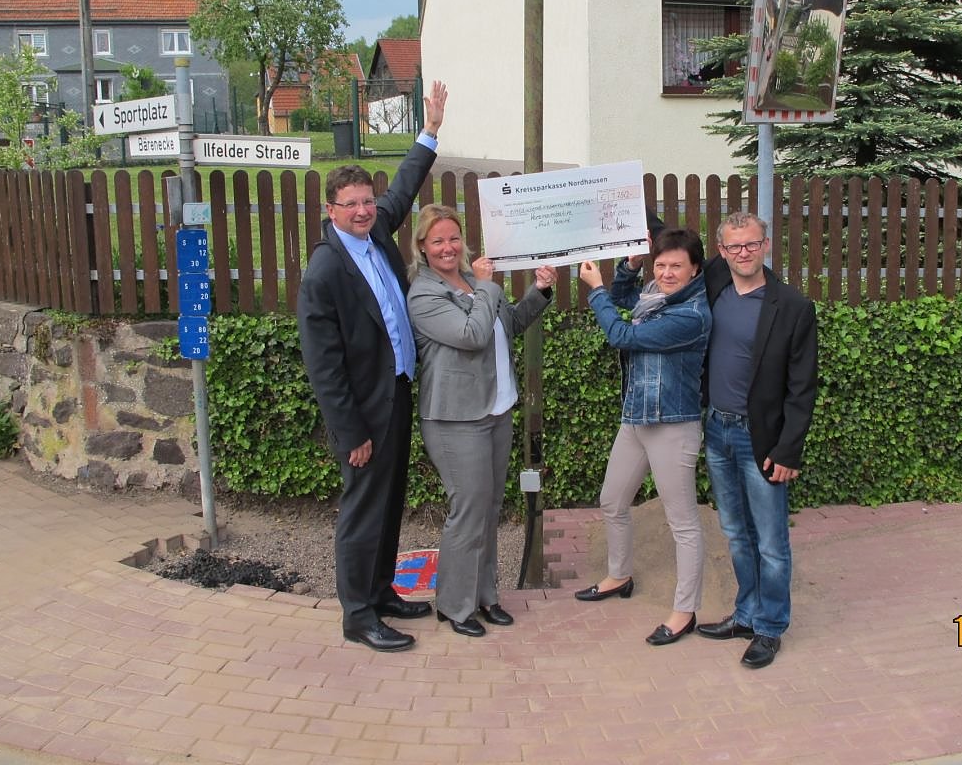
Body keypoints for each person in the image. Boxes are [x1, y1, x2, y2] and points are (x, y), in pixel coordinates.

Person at [296, 80, 447, 653]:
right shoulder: (325, 272)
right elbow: (324, 366)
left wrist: (429, 132)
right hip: (363, 413)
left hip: (397, 393)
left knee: (390, 500)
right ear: (330, 211)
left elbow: (404, 188)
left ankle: (382, 591)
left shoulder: (377, 231)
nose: (363, 210)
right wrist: (351, 432)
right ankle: (358, 615)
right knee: (362, 511)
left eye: (366, 201)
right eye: (351, 205)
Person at [407, 204, 556, 637]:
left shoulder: (474, 282)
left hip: (495, 410)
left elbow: (507, 324)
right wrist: (488, 286)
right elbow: (471, 335)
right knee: (469, 511)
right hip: (456, 418)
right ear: (422, 246)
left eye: (454, 238)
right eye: (438, 240)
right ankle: (455, 606)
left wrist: (540, 291)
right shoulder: (424, 294)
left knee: (489, 509)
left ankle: (486, 596)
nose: (448, 247)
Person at [574, 228, 712, 646]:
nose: (667, 273)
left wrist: (594, 288)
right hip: (636, 418)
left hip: (672, 425)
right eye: (661, 264)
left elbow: (622, 334)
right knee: (613, 501)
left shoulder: (691, 315)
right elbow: (624, 297)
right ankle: (619, 576)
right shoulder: (654, 296)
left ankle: (684, 611)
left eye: (676, 266)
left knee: (682, 523)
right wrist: (630, 266)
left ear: (695, 270)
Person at [696, 211, 818, 670]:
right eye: (734, 246)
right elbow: (672, 240)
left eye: (752, 244)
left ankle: (770, 627)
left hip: (760, 438)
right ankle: (746, 614)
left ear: (766, 245)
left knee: (770, 542)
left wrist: (788, 449)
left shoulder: (792, 306)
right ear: (721, 251)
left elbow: (802, 387)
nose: (743, 253)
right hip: (717, 431)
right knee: (735, 533)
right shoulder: (715, 286)